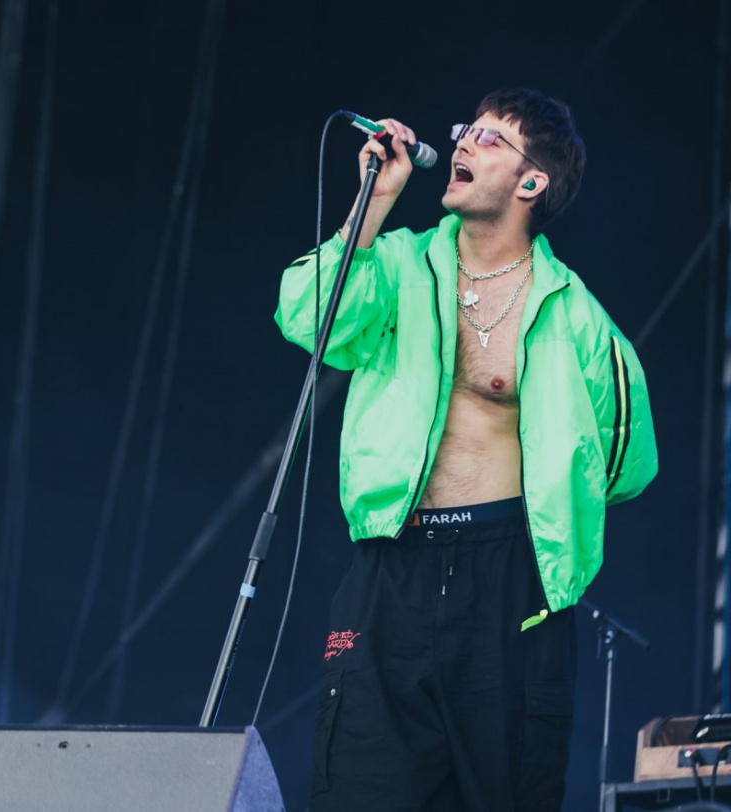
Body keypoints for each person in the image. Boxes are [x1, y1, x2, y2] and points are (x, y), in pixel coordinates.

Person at [276, 89, 657, 810]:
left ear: (531, 182)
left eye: (488, 138)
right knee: (358, 784)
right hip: (393, 565)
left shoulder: (577, 317)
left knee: (506, 790)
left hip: (510, 576)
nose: (461, 143)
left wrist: (551, 506)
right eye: (465, 131)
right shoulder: (396, 263)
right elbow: (305, 318)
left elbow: (627, 463)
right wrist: (372, 205)